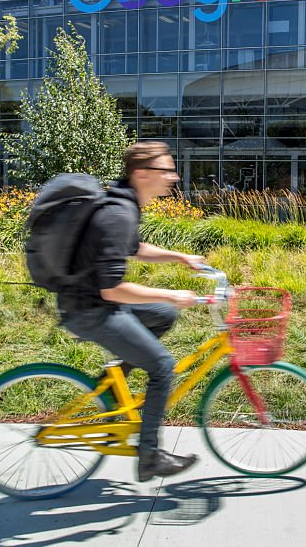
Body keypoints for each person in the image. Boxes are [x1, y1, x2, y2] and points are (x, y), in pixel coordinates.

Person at [56, 141, 203, 482]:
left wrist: (181, 257)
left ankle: (109, 397)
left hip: (94, 301)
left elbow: (134, 248)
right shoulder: (119, 212)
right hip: (90, 309)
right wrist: (170, 294)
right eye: (166, 170)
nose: (174, 176)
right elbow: (113, 288)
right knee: (163, 365)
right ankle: (150, 456)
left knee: (162, 317)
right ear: (141, 174)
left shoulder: (124, 202)